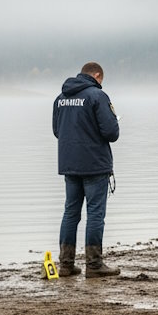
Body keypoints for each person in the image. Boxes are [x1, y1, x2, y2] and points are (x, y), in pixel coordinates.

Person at [53, 62, 122, 278]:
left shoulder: (61, 98)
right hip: (94, 164)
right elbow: (111, 132)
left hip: (69, 164)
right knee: (95, 214)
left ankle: (66, 264)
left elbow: (57, 131)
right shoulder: (97, 96)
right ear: (97, 75)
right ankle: (94, 265)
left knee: (70, 213)